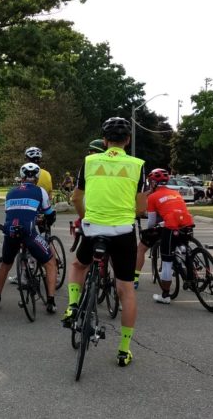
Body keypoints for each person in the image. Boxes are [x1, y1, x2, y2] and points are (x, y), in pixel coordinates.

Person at [65, 117, 147, 368]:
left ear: (104, 141)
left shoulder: (90, 161)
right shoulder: (137, 165)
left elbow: (76, 197)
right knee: (126, 290)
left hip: (93, 228)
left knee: (79, 265)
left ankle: (71, 307)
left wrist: (84, 217)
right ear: (128, 141)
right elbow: (142, 207)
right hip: (122, 231)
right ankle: (123, 350)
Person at [0, 163, 58, 313]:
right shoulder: (40, 191)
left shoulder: (10, 191)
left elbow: (12, 211)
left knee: (5, 264)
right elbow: (48, 213)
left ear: (21, 177)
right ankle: (51, 301)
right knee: (50, 263)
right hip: (28, 233)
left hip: (10, 232)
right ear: (37, 177)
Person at [140, 168, 195, 304]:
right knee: (185, 249)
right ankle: (191, 273)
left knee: (167, 261)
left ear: (153, 183)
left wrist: (150, 230)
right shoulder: (175, 193)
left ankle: (165, 296)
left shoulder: (152, 197)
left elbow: (152, 221)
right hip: (187, 223)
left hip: (170, 226)